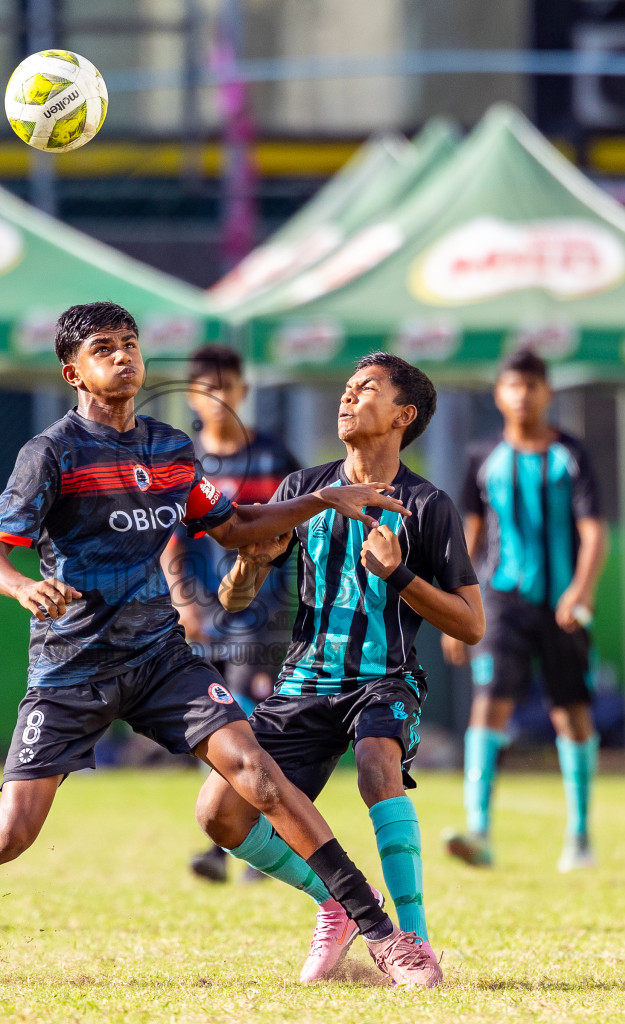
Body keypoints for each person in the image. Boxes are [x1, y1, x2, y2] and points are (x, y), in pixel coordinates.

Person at [0, 302, 442, 988]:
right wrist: (20, 588)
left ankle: (383, 936)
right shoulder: (50, 453)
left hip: (162, 658)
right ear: (72, 370)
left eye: (131, 344)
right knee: (10, 834)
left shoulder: (169, 448)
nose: (124, 356)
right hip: (72, 665)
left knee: (257, 774)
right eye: (105, 347)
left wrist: (324, 498)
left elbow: (234, 525)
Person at [192, 353, 484, 983]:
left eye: (366, 390)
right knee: (218, 815)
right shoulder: (303, 491)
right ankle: (339, 904)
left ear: (403, 415)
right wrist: (256, 561)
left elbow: (471, 623)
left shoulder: (427, 505)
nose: (347, 400)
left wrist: (400, 574)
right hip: (303, 680)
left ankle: (415, 941)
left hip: (386, 679)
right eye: (346, 390)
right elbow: (231, 600)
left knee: (379, 764)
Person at [441, 349, 609, 873]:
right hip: (501, 602)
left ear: (547, 393)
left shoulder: (571, 454)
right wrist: (455, 606)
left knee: (572, 714)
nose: (522, 395)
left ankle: (579, 835)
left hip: (560, 604)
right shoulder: (482, 456)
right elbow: (466, 536)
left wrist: (580, 590)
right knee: (490, 703)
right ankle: (479, 831)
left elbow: (595, 532)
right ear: (499, 394)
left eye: (532, 386)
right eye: (513, 385)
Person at [160, 344, 300, 885]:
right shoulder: (181, 460)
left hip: (261, 617)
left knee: (242, 718)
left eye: (228, 387)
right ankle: (242, 837)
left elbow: (296, 530)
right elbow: (168, 538)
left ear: (244, 392)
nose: (218, 397)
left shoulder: (274, 458)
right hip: (202, 616)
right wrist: (183, 602)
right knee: (216, 726)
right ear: (194, 395)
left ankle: (229, 842)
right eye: (207, 387)